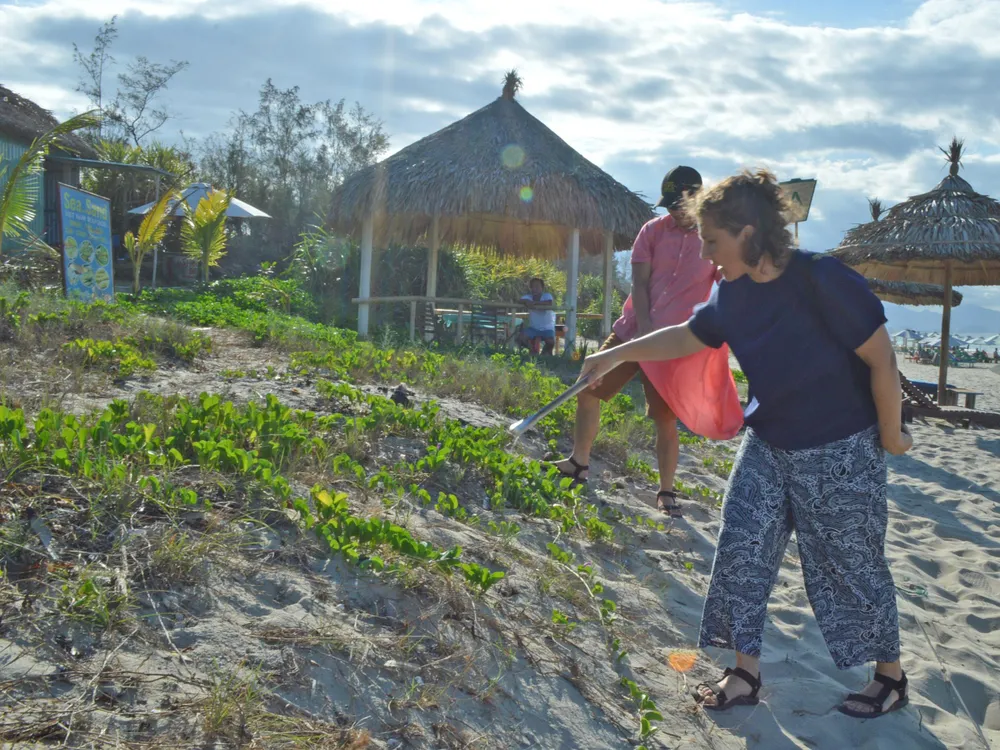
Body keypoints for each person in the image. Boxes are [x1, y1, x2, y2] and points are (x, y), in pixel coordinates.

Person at [578, 169, 911, 718]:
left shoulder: (822, 279)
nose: (707, 257)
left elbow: (883, 361)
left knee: (848, 561)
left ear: (750, 232)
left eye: (713, 241)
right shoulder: (731, 293)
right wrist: (616, 352)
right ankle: (744, 672)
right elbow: (689, 333)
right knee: (741, 548)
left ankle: (889, 678)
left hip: (840, 447)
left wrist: (893, 435)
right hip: (768, 441)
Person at [549, 166, 718, 515]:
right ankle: (579, 462)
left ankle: (666, 491)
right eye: (669, 204)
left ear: (698, 200)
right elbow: (640, 283)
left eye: (680, 204)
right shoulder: (653, 231)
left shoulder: (713, 237)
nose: (673, 211)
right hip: (632, 330)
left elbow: (728, 283)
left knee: (665, 419)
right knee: (587, 387)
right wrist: (643, 329)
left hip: (675, 343)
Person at [516, 277, 556, 355]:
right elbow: (519, 300)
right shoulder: (528, 297)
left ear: (542, 288)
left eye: (537, 286)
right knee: (520, 339)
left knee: (550, 342)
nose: (535, 289)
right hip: (533, 328)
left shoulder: (547, 295)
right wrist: (526, 301)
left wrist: (534, 303)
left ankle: (544, 354)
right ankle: (533, 351)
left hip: (547, 328)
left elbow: (549, 303)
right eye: (532, 287)